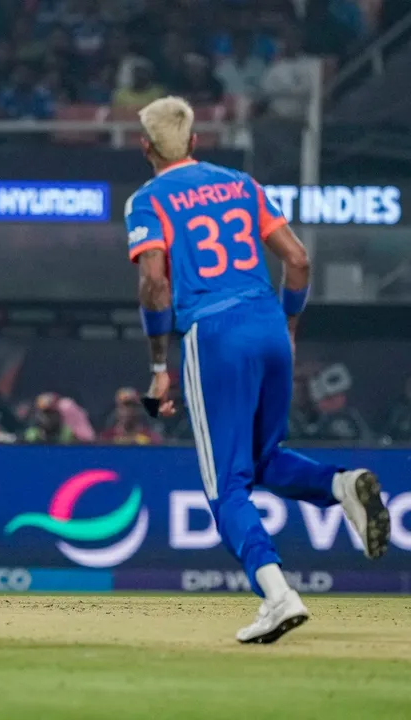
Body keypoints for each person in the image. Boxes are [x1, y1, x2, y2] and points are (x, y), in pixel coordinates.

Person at [126, 96, 390, 644]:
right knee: (261, 459)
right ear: (195, 141)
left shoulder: (147, 200)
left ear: (145, 147)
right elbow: (298, 260)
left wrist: (158, 365)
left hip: (214, 333)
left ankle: (277, 594)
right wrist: (288, 327)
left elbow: (154, 281)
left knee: (225, 486)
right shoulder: (241, 184)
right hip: (268, 322)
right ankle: (340, 485)